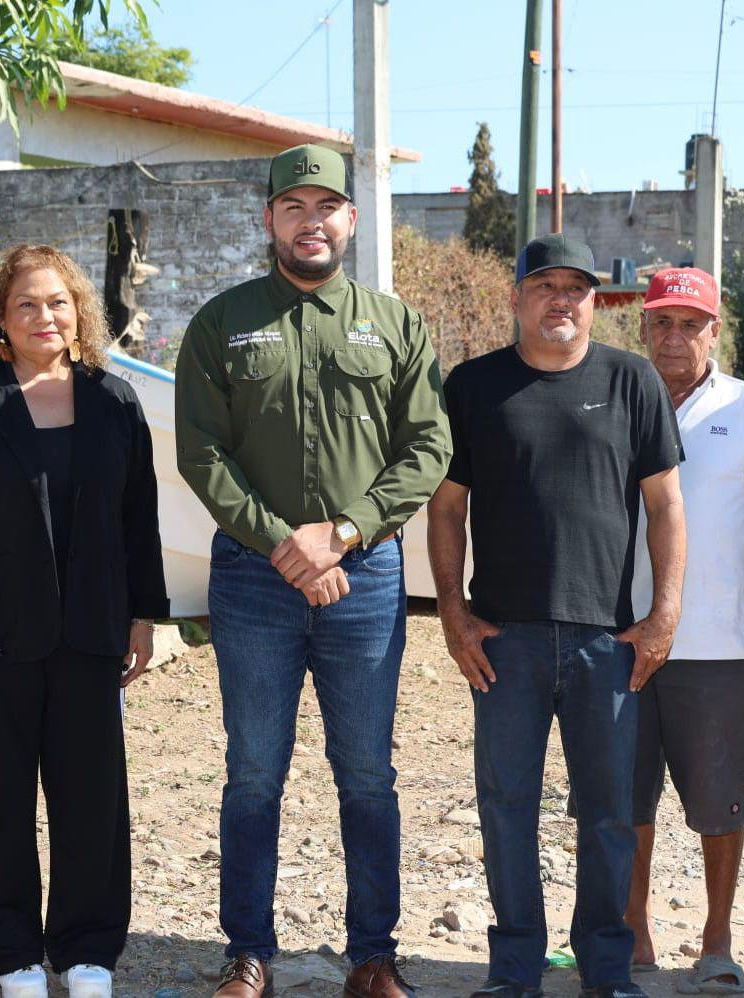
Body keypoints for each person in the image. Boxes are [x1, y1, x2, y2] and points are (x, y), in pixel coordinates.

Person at [174, 144, 451, 998]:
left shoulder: (395, 324)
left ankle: (373, 954)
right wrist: (283, 544)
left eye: (327, 205)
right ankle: (248, 954)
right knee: (254, 769)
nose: (311, 220)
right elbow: (202, 453)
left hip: (362, 579)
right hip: (255, 580)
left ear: (351, 220)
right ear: (271, 220)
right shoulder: (222, 323)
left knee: (367, 771)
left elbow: (428, 445)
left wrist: (344, 532)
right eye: (294, 205)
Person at [429, 233, 686, 998]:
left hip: (606, 640)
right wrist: (453, 612)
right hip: (502, 639)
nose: (561, 300)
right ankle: (514, 971)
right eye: (545, 286)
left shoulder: (633, 380)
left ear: (595, 302)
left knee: (607, 814)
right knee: (507, 809)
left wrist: (664, 611)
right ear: (517, 298)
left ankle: (607, 970)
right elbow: (446, 510)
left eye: (577, 288)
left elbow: (667, 505)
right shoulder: (473, 386)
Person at [0, 244, 169, 998]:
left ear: (78, 309)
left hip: (90, 635)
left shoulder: (114, 401)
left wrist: (143, 616)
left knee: (92, 799)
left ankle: (88, 954)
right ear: (0, 315)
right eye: (26, 304)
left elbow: (139, 518)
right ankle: (13, 955)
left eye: (57, 302)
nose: (43, 316)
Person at [623, 268, 744, 994]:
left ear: (715, 331)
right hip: (620, 637)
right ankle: (634, 930)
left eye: (691, 324)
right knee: (625, 796)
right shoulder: (617, 395)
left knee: (720, 799)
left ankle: (717, 938)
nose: (675, 337)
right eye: (662, 322)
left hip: (717, 645)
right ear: (643, 329)